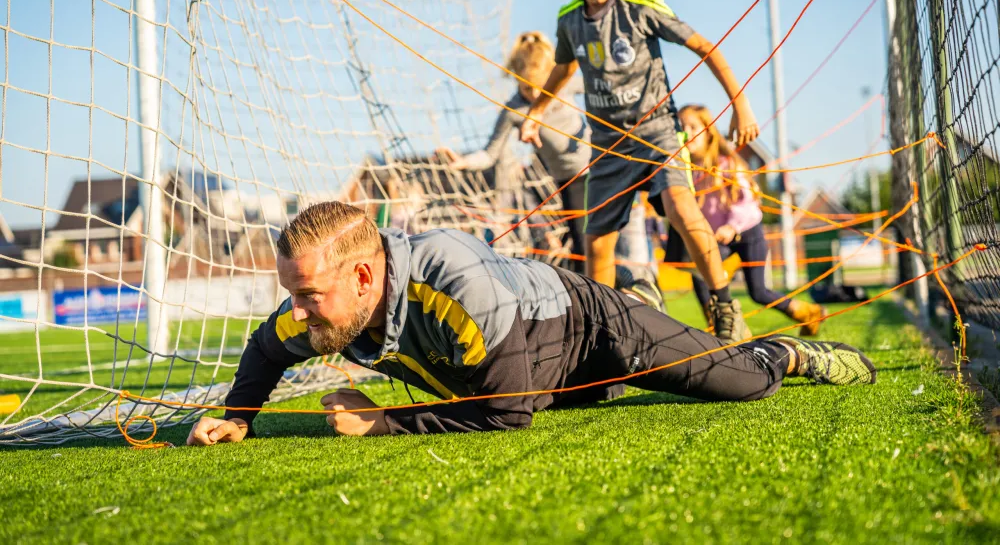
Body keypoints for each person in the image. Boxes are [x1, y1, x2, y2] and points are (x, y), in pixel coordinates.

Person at [186, 201, 875, 444]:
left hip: (595, 329)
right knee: (594, 400)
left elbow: (509, 415)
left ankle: (785, 351)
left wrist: (383, 422)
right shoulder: (321, 305)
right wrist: (239, 412)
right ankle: (645, 296)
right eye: (292, 295)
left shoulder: (452, 282)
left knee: (742, 385)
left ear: (364, 277)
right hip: (544, 375)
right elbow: (264, 346)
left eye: (306, 295)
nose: (295, 312)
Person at [519, 0, 761, 343]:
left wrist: (740, 106)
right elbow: (563, 67)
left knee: (684, 210)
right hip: (609, 146)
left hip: (659, 135)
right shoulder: (570, 19)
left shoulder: (641, 5)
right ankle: (600, 334)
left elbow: (705, 47)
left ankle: (725, 307)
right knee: (597, 244)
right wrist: (537, 110)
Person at [436, 31, 663, 310]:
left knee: (615, 240)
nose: (533, 94)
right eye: (526, 87)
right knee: (584, 253)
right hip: (569, 183)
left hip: (600, 167)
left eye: (538, 87)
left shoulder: (563, 86)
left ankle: (638, 288)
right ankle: (624, 294)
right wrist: (463, 161)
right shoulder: (514, 110)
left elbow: (603, 84)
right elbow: (490, 153)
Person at [678, 104, 825, 335]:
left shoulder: (727, 164)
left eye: (693, 126)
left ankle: (807, 312)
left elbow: (746, 201)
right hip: (720, 238)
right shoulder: (688, 171)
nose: (687, 132)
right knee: (700, 273)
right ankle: (717, 325)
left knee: (758, 292)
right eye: (682, 127)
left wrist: (731, 225)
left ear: (707, 131)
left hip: (747, 232)